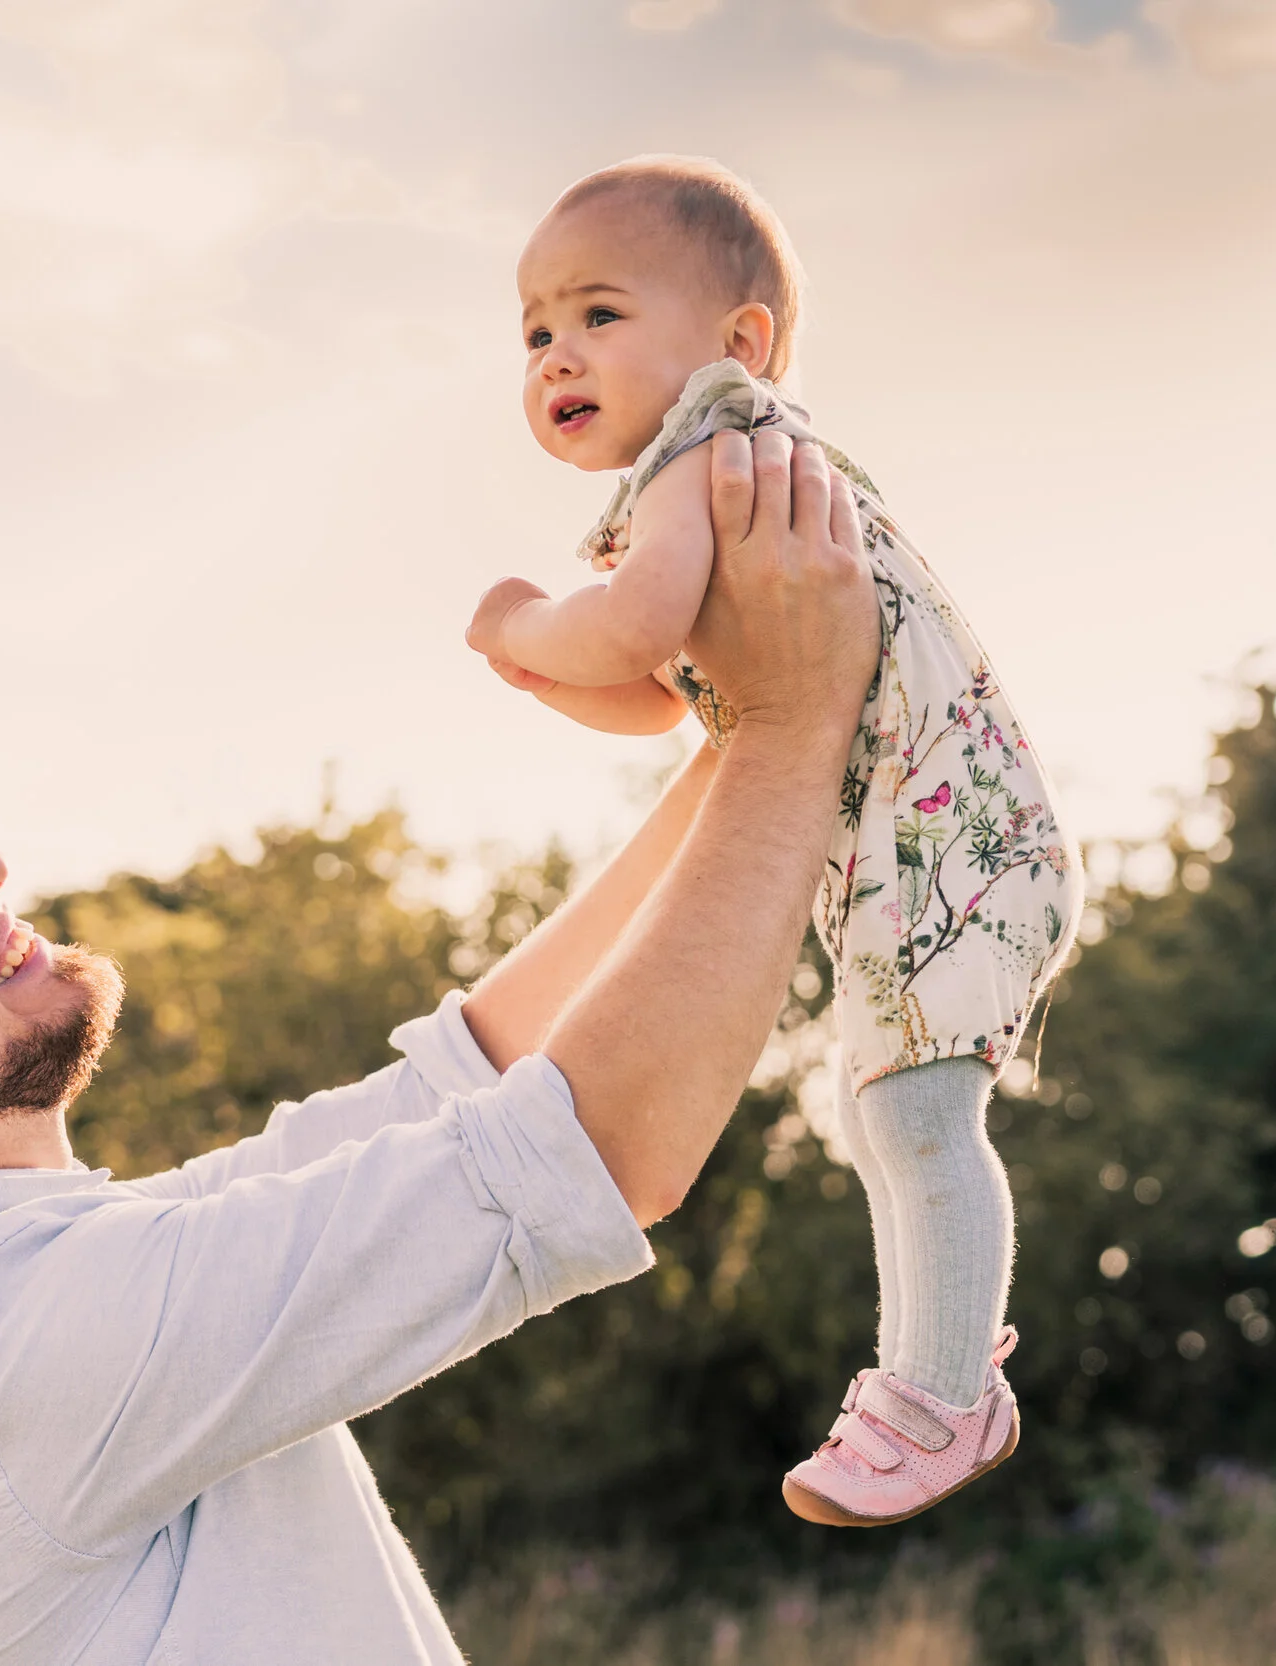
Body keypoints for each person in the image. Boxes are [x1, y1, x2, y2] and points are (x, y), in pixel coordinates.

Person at [0, 428, 877, 1663]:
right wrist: (792, 724)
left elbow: (468, 1085)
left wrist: (732, 734)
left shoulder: (0, 1291)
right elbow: (596, 1144)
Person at [463, 156, 1082, 1527]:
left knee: (913, 1110)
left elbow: (625, 634)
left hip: (945, 842)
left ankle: (940, 1393)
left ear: (738, 342)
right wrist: (550, 671)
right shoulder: (711, 477)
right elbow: (668, 693)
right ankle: (944, 1354)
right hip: (929, 843)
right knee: (887, 1111)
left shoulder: (715, 448)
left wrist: (519, 623)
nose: (556, 349)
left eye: (598, 313)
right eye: (534, 330)